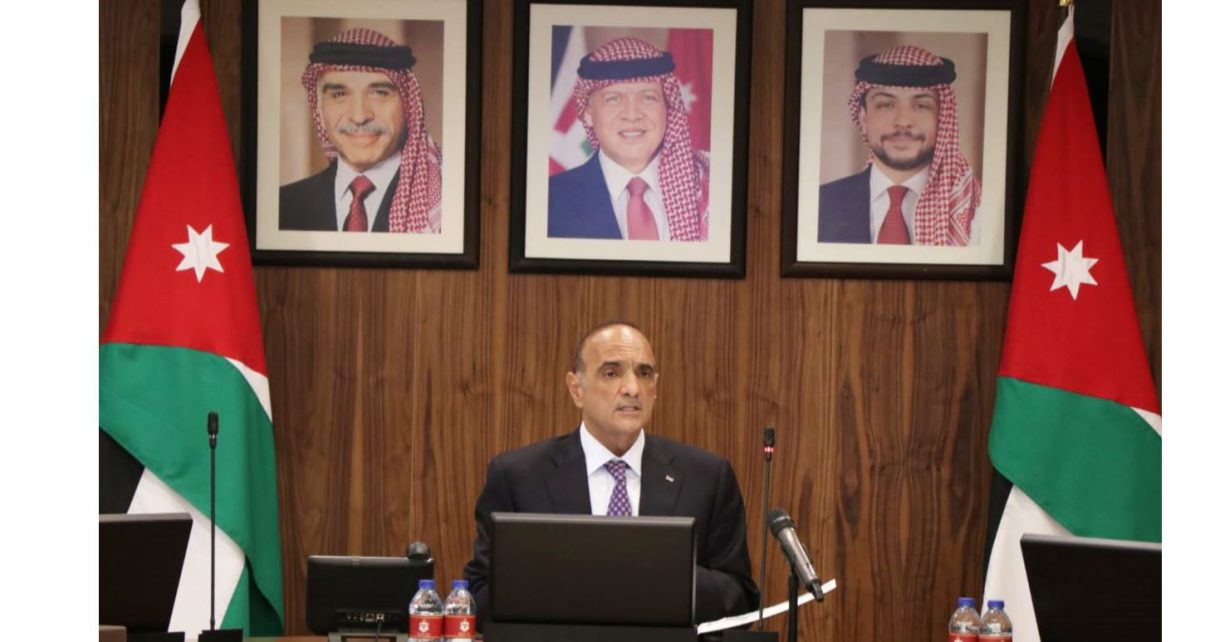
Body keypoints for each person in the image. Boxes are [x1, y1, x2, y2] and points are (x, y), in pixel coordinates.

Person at [463, 322, 758, 632]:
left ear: (655, 387)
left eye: (644, 373)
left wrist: (658, 577)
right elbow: (479, 596)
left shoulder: (707, 478)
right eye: (611, 373)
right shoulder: (518, 477)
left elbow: (740, 600)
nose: (632, 388)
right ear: (576, 389)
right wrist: (576, 579)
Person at [279, 28, 441, 233]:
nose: (359, 116)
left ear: (408, 105)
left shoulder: (443, 204)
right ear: (319, 107)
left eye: (379, 93)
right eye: (339, 95)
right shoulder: (283, 206)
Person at [548, 37, 710, 241]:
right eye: (613, 99)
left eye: (648, 98)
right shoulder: (549, 200)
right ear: (588, 113)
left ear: (668, 107)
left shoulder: (712, 187)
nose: (632, 115)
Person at [818, 45, 981, 246]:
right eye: (886, 105)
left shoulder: (976, 210)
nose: (903, 121)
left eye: (921, 106)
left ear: (942, 119)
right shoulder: (819, 205)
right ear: (863, 119)